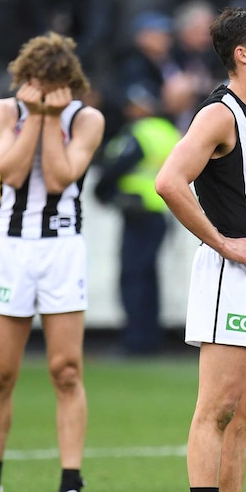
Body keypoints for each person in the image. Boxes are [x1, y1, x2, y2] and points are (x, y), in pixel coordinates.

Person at [0, 32, 104, 492]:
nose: (42, 91)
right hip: (12, 250)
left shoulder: (87, 119)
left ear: (68, 83)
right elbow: (12, 173)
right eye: (36, 82)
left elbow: (60, 177)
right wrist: (35, 119)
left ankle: (70, 488)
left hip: (62, 249)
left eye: (53, 83)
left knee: (66, 370)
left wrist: (50, 118)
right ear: (23, 79)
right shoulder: (3, 112)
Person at [154, 5, 246, 492]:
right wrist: (222, 242)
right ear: (242, 54)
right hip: (234, 274)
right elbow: (169, 182)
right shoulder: (219, 113)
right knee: (218, 409)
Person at [94, 83, 181, 355]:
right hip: (160, 213)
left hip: (139, 212)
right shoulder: (168, 131)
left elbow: (114, 167)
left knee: (133, 277)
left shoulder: (138, 132)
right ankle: (149, 339)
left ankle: (135, 341)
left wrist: (103, 192)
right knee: (148, 278)